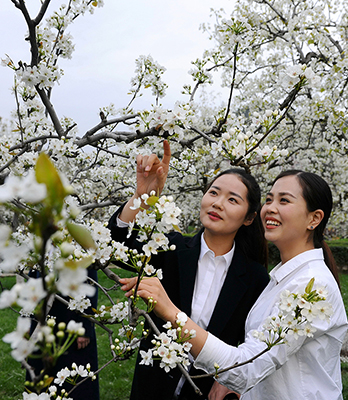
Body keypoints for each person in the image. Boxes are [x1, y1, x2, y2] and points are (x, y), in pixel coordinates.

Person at [121, 169, 348, 400]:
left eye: (284, 200)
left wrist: (171, 312)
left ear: (314, 218)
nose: (270, 208)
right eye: (269, 199)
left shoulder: (311, 287)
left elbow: (246, 369)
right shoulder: (282, 279)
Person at [108, 141, 270, 400]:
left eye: (232, 200)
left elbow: (254, 344)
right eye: (213, 193)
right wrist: (141, 197)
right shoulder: (169, 249)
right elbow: (117, 243)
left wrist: (233, 380)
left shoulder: (255, 278)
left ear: (249, 218)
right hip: (152, 387)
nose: (218, 203)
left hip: (207, 392)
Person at [26, 269, 100, 399]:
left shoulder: (82, 249)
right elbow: (31, 281)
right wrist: (26, 320)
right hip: (41, 319)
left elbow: (90, 283)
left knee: (74, 376)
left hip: (71, 318)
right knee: (41, 372)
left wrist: (84, 325)